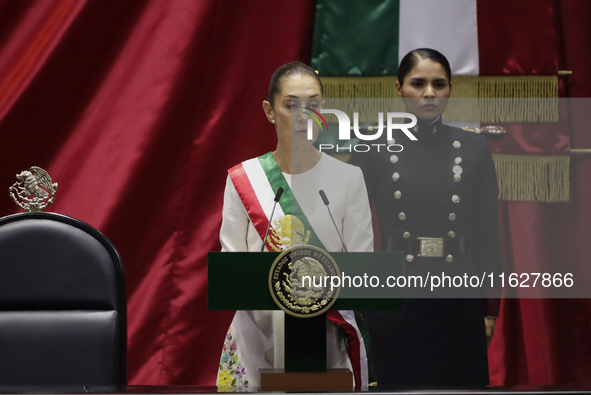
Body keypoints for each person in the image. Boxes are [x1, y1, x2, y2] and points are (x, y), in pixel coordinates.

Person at [348, 48, 503, 388]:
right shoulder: (372, 146)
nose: (429, 93)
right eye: (418, 83)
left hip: (459, 289)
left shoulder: (474, 148)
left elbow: (488, 233)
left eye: (439, 84)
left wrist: (490, 308)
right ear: (398, 88)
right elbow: (351, 226)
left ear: (450, 88)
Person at [216, 61, 373, 390]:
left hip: (327, 342)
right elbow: (232, 269)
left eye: (313, 104)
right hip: (257, 341)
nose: (304, 114)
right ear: (269, 111)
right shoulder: (244, 180)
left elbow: (363, 269)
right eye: (291, 104)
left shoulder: (349, 178)